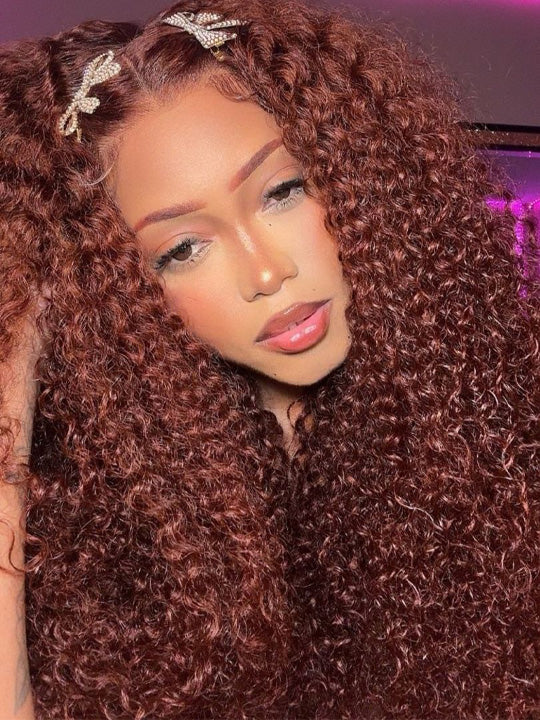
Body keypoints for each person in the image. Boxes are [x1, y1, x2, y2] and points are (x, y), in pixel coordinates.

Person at [0, 0, 539, 717]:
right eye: (182, 248)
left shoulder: (507, 436)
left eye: (283, 191)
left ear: (355, 171)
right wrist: (13, 368)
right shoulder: (107, 530)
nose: (265, 273)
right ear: (120, 295)